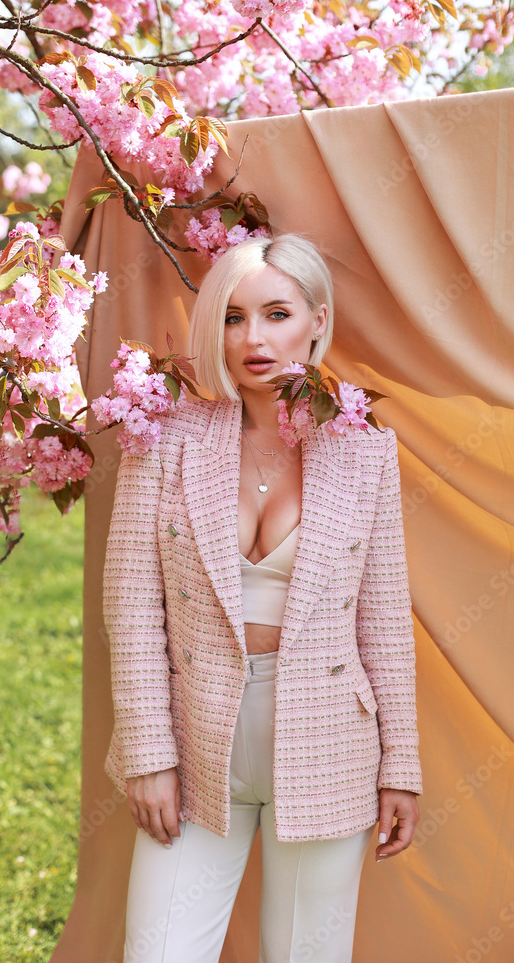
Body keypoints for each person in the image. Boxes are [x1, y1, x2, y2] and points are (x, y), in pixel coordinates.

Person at [102, 233, 423, 963]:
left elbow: (382, 620)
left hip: (331, 741)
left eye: (275, 313)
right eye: (232, 317)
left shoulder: (364, 447)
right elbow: (130, 609)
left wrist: (400, 763)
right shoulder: (164, 437)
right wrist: (150, 753)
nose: (253, 338)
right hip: (194, 736)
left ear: (315, 318)